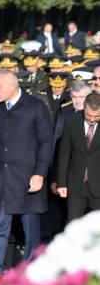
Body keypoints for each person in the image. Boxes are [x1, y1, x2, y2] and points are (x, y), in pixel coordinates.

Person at [0, 69, 54, 273]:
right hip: (2, 177)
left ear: (13, 86)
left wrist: (40, 174)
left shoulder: (35, 106)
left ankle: (31, 270)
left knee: (30, 227)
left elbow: (46, 143)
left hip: (28, 178)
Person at [56, 93, 100, 222]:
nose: (92, 119)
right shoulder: (72, 120)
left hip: (98, 185)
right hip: (76, 186)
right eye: (89, 115)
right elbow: (64, 153)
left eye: (96, 116)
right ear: (84, 109)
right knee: (73, 227)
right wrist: (61, 183)